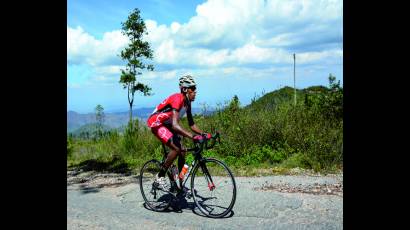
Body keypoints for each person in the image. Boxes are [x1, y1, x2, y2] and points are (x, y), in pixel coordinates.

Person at [146, 75, 211, 192]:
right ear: (185, 89)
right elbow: (175, 125)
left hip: (167, 124)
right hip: (157, 123)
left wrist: (203, 134)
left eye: (195, 89)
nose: (195, 92)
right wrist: (193, 136)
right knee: (176, 149)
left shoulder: (187, 103)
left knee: (183, 151)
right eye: (192, 89)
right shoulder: (178, 99)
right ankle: (159, 177)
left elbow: (191, 124)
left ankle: (180, 183)